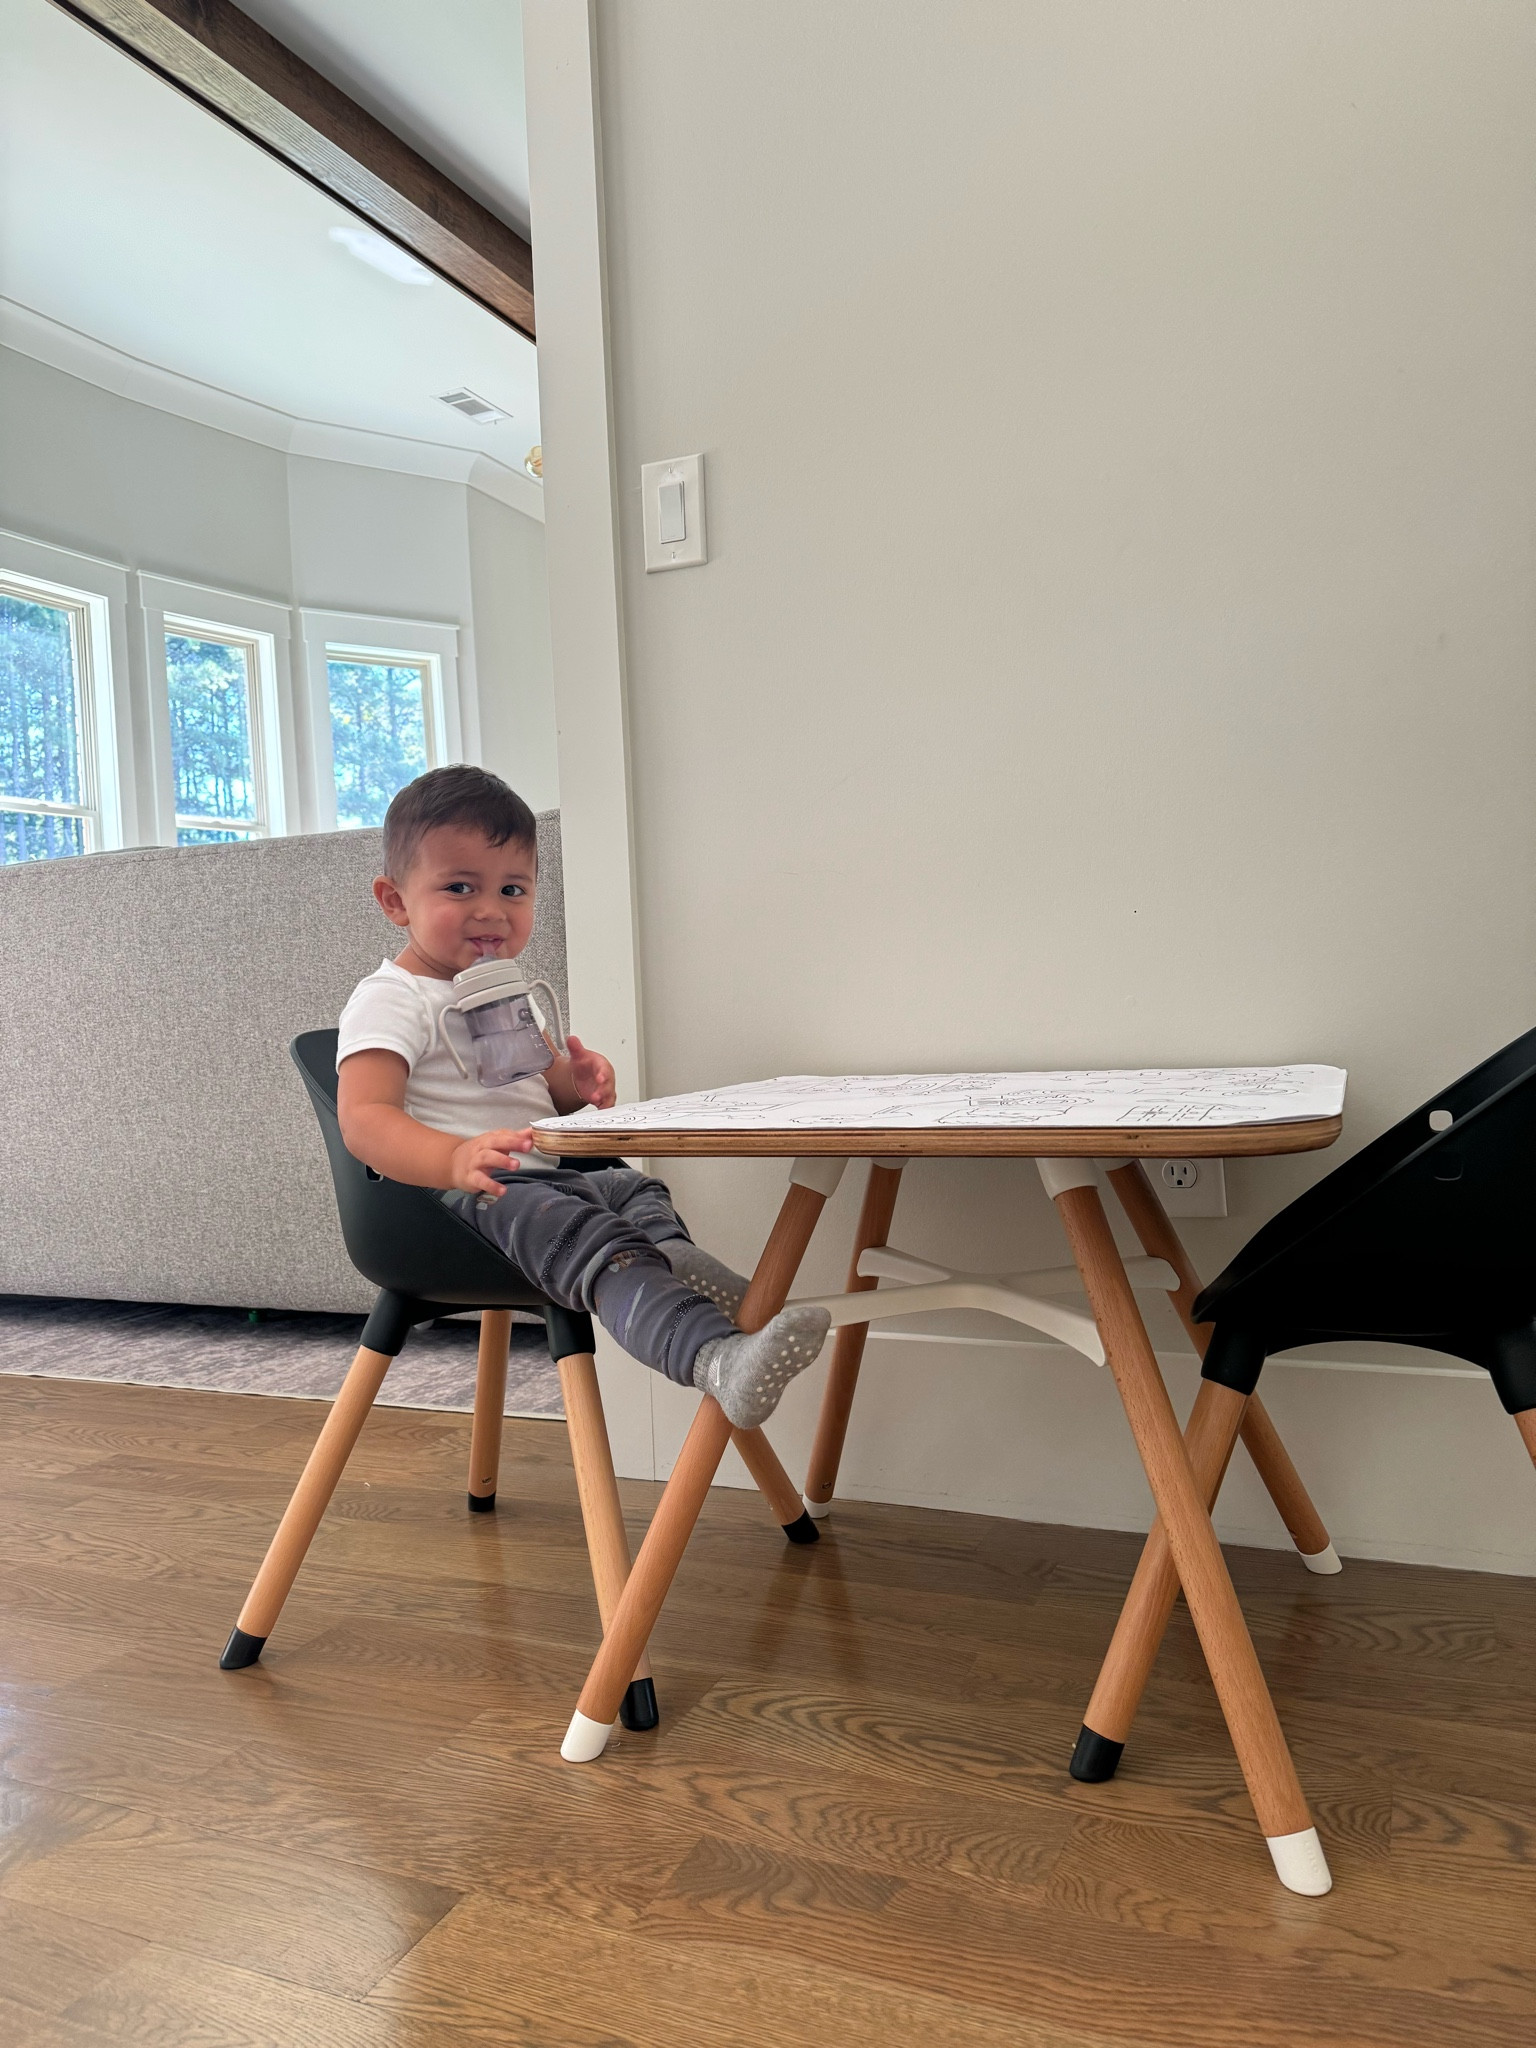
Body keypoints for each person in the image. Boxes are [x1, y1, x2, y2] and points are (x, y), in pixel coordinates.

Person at [336, 765, 829, 1428]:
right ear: (395, 901)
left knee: (633, 1190)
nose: (491, 910)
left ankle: (685, 1276)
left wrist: (576, 1082)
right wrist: (454, 1159)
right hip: (445, 1204)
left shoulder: (500, 989)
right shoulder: (392, 999)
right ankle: (715, 1357)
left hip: (531, 1178)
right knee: (598, 1239)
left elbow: (536, 1089)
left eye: (513, 889)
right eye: (460, 888)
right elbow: (364, 1120)